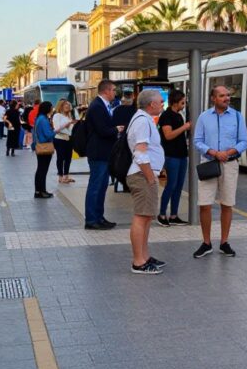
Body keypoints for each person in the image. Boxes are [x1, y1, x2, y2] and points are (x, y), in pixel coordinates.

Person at [192, 85, 247, 258]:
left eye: (228, 95)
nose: (227, 98)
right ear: (213, 98)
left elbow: (244, 141)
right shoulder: (203, 117)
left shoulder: (237, 117)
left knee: (227, 203)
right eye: (222, 95)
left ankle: (224, 242)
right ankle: (206, 242)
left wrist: (228, 153)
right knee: (205, 204)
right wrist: (213, 152)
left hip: (230, 164)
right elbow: (197, 140)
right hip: (209, 163)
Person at [126, 89, 167, 274]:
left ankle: (145, 256)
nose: (162, 104)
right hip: (142, 176)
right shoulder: (143, 121)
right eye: (160, 101)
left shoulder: (143, 119)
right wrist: (151, 177)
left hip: (145, 175)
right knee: (142, 217)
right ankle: (138, 262)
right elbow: (140, 152)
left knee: (146, 217)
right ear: (151, 104)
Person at [85, 80, 123, 230]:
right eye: (114, 90)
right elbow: (102, 130)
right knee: (96, 186)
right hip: (98, 153)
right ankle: (92, 219)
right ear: (106, 91)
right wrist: (117, 129)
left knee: (101, 187)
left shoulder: (103, 106)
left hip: (104, 153)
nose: (115, 93)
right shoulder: (97, 107)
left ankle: (99, 217)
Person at [157, 89, 191, 227]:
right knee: (170, 185)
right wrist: (185, 127)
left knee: (178, 186)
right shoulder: (166, 116)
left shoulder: (178, 115)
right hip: (171, 156)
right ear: (176, 102)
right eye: (183, 102)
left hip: (182, 155)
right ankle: (162, 214)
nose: (184, 104)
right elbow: (168, 135)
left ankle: (174, 215)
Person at [31, 101, 56, 199]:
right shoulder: (43, 119)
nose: (52, 109)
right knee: (42, 170)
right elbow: (48, 134)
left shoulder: (39, 118)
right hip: (44, 146)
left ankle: (40, 190)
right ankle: (40, 191)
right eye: (51, 107)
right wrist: (56, 130)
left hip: (39, 145)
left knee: (41, 169)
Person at [52, 99, 77, 184]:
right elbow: (57, 129)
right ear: (61, 106)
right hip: (60, 139)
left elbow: (71, 129)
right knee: (60, 158)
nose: (67, 106)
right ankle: (60, 177)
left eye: (68, 105)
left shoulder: (69, 116)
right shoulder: (57, 116)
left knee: (68, 158)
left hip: (69, 139)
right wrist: (67, 125)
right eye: (65, 105)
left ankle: (66, 176)